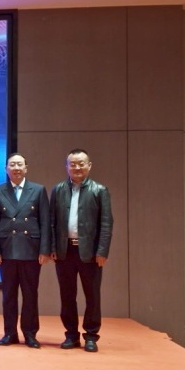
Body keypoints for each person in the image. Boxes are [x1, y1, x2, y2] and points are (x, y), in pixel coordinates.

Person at [50, 148, 113, 353]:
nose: (77, 167)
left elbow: (106, 223)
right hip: (64, 251)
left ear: (89, 166)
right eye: (73, 164)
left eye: (81, 163)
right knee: (67, 296)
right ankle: (71, 335)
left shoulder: (99, 190)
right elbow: (52, 222)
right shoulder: (58, 190)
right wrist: (53, 248)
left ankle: (91, 336)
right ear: (66, 167)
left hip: (91, 253)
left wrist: (102, 252)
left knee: (92, 296)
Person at [0, 153, 50, 348]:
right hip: (6, 250)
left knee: (30, 295)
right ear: (6, 169)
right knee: (9, 295)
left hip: (31, 251)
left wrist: (45, 250)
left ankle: (30, 333)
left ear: (26, 168)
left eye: (19, 165)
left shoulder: (38, 190)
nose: (16, 168)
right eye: (12, 165)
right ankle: (10, 333)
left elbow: (45, 222)